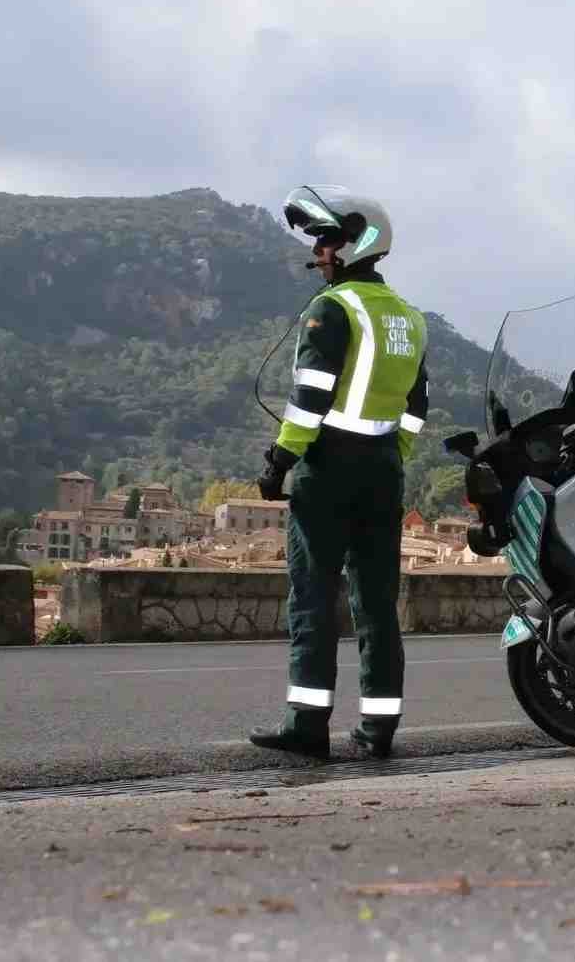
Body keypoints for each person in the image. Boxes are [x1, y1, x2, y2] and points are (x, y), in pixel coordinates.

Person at [249, 185, 430, 759]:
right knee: (376, 599)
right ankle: (379, 728)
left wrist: (280, 461)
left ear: (357, 241)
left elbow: (310, 397)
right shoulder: (411, 318)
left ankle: (307, 725)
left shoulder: (333, 309)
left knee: (312, 595)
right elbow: (417, 404)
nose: (319, 252)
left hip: (328, 465)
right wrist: (392, 452)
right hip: (382, 470)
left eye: (327, 239)